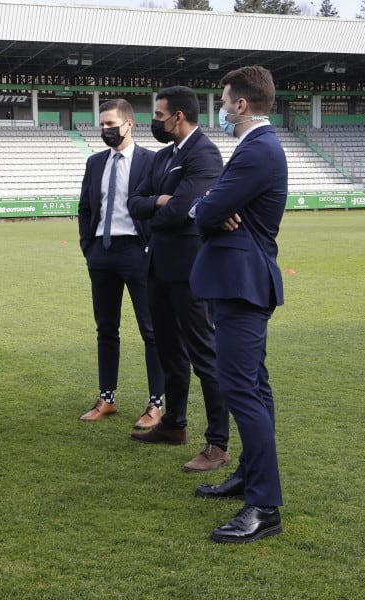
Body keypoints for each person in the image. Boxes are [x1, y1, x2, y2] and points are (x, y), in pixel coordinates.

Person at [190, 66, 288, 544]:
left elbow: (207, 210)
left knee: (242, 391)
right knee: (253, 387)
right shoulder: (253, 148)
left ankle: (265, 507)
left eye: (225, 101)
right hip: (239, 282)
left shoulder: (258, 151)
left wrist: (203, 208)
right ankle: (251, 480)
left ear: (242, 105)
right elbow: (211, 208)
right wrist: (208, 207)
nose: (222, 110)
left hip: (243, 285)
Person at [126, 86, 231, 473]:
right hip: (158, 267)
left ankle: (218, 443)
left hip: (190, 272)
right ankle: (175, 425)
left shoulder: (205, 154)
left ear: (179, 117)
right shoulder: (165, 156)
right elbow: (133, 201)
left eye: (158, 115)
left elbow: (183, 211)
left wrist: (158, 205)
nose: (155, 121)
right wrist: (157, 201)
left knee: (205, 355)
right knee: (170, 352)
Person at [77, 99, 165, 429]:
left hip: (137, 252)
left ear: (129, 124)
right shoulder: (94, 162)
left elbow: (159, 210)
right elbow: (86, 207)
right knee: (106, 328)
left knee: (151, 329)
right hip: (102, 252)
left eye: (110, 124)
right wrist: (88, 246)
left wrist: (149, 248)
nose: (104, 130)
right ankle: (107, 398)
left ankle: (156, 402)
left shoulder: (152, 162)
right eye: (101, 125)